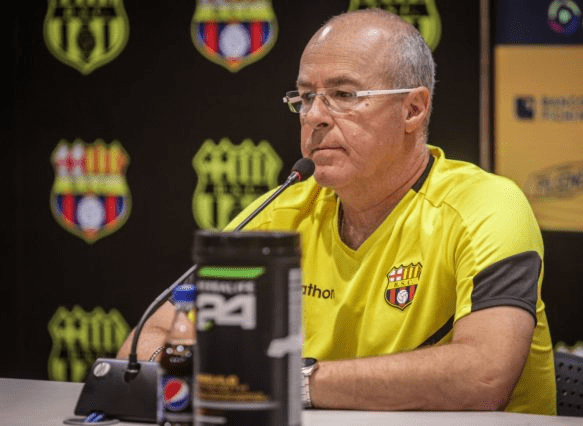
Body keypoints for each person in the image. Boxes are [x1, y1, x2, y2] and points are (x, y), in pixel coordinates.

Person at [118, 8, 556, 414]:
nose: (315, 116)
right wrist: (192, 368)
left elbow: (484, 375)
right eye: (306, 97)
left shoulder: (484, 207)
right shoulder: (279, 216)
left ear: (413, 109)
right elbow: (142, 344)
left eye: (343, 94)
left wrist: (293, 382)